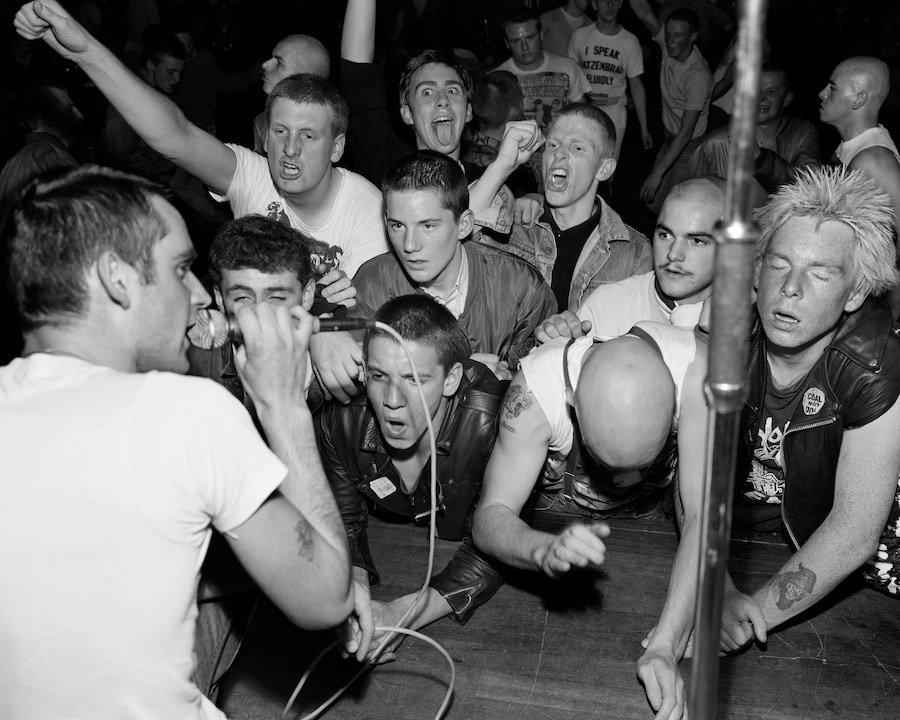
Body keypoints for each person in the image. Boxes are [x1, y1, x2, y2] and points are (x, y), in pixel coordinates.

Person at [0, 165, 353, 719]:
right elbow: (324, 597)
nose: (196, 295)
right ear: (118, 278)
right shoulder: (184, 413)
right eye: (181, 269)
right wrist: (281, 404)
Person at [637, 166, 900, 720]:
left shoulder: (872, 363)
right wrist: (698, 610)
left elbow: (855, 532)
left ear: (854, 294)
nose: (790, 289)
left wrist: (752, 608)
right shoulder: (727, 328)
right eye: (778, 265)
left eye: (820, 275)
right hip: (762, 527)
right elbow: (701, 489)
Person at [15, 0, 388, 282]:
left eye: (308, 136)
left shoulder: (367, 210)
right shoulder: (253, 175)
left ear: (336, 146)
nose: (290, 149)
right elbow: (174, 135)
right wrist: (84, 51)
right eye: (280, 132)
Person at [318, 294, 508, 660]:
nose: (392, 399)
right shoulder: (341, 419)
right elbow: (343, 515)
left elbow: (495, 547)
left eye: (414, 379)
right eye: (378, 376)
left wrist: (402, 613)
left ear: (451, 380)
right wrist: (355, 596)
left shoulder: (493, 425)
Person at [472, 319, 705, 574]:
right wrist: (539, 548)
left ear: (675, 396)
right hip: (558, 511)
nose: (622, 480)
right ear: (571, 401)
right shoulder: (536, 393)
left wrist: (722, 589)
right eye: (602, 461)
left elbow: (700, 511)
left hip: (647, 509)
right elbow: (492, 511)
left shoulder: (696, 371)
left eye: (644, 463)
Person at [354, 151, 557, 382]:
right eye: (398, 226)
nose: (409, 245)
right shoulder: (370, 285)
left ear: (464, 225)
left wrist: (499, 382)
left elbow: (548, 385)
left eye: (428, 226)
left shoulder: (520, 286)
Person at [339, 0, 539, 234]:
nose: (442, 100)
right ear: (407, 113)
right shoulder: (390, 166)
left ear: (468, 111)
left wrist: (535, 203)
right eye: (427, 92)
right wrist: (502, 167)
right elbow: (356, 75)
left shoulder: (486, 179)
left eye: (452, 90)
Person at [479, 103, 651, 312]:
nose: (559, 153)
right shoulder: (513, 226)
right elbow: (454, 242)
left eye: (577, 148)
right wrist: (502, 164)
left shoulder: (634, 253)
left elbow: (634, 338)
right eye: (552, 145)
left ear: (604, 169)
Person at [535, 176, 723, 342]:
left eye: (696, 241)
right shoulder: (607, 305)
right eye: (665, 235)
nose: (673, 254)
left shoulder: (747, 321)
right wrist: (557, 347)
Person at [689, 62, 820, 195]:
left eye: (771, 91)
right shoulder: (718, 142)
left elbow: (808, 186)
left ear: (786, 99)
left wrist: (761, 158)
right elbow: (693, 192)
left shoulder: (801, 133)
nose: (761, 97)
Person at [636, 7, 713, 212]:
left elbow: (686, 131)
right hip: (670, 138)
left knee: (672, 206)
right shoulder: (669, 48)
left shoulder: (697, 74)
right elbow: (643, 12)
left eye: (677, 35)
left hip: (689, 145)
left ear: (693, 36)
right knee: (652, 202)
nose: (670, 41)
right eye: (668, 35)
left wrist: (657, 173)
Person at [819, 56, 900, 240]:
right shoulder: (854, 145)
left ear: (858, 99)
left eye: (832, 87)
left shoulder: (873, 158)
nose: (822, 94)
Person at [568, 0, 653, 161]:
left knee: (607, 166)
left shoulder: (629, 41)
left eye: (614, 0)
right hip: (585, 109)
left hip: (614, 110)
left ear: (620, 4)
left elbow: (636, 84)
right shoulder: (579, 36)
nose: (610, 5)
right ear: (594, 5)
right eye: (604, 1)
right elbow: (572, 75)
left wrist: (644, 128)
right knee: (582, 161)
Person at [492, 9, 590, 135]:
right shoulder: (496, 78)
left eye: (530, 37)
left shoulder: (567, 67)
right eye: (516, 41)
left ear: (541, 34)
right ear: (506, 43)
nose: (525, 47)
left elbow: (584, 115)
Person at [253, 33, 330, 154]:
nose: (266, 64)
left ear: (305, 78)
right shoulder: (261, 122)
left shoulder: (328, 127)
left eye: (279, 62)